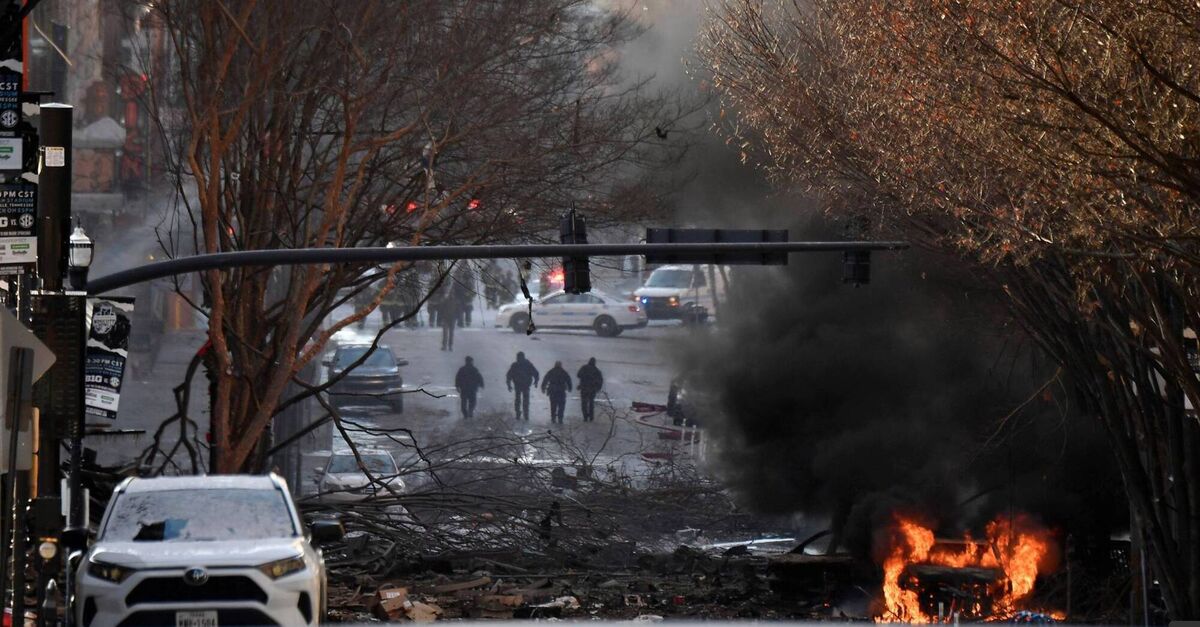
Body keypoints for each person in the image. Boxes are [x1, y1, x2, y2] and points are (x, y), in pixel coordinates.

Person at [505, 352, 539, 421]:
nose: (519, 358)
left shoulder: (520, 365)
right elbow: (535, 373)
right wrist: (536, 381)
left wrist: (509, 385)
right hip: (522, 385)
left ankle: (521, 414)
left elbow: (509, 376)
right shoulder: (520, 365)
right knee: (522, 400)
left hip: (522, 385)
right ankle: (522, 414)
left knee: (520, 400)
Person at [576, 357, 604, 422]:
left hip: (584, 388)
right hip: (592, 389)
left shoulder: (584, 367)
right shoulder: (596, 370)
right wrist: (598, 388)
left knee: (584, 403)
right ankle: (591, 417)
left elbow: (578, 375)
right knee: (591, 403)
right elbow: (600, 380)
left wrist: (584, 377)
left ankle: (585, 417)